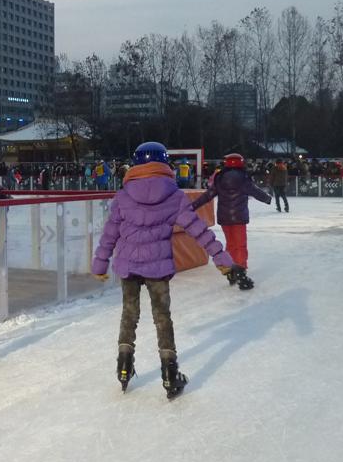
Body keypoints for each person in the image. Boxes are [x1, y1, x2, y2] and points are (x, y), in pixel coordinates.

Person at [92, 142, 237, 400]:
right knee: (162, 317)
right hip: (157, 268)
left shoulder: (124, 195)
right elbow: (198, 229)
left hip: (128, 266)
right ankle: (170, 374)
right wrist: (221, 258)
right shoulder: (174, 195)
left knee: (129, 313)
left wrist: (100, 264)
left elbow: (110, 233)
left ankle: (124, 366)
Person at [190, 153, 270, 290]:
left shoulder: (220, 178)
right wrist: (267, 198)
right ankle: (241, 272)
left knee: (231, 244)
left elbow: (208, 195)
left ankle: (231, 270)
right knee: (240, 245)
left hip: (224, 217)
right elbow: (254, 191)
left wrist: (193, 206)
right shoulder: (243, 178)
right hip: (239, 217)